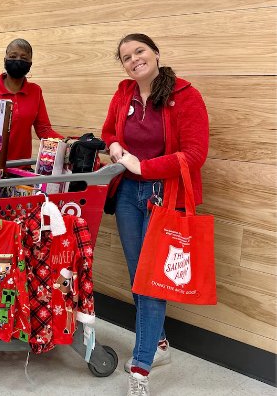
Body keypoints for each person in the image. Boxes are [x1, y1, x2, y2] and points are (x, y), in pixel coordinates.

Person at [101, 33, 209, 396]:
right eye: (126, 56)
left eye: (139, 51)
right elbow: (107, 132)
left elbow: (194, 154)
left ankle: (141, 367)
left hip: (164, 196)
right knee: (138, 277)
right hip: (128, 194)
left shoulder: (185, 95)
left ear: (156, 53)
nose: (134, 59)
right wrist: (115, 145)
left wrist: (143, 167)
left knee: (150, 284)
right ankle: (160, 344)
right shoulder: (123, 93)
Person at [0, 38, 63, 162]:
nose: (18, 60)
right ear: (5, 60)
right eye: (13, 56)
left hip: (21, 167)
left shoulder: (35, 91)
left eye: (24, 58)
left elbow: (44, 130)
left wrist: (67, 142)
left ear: (30, 63)